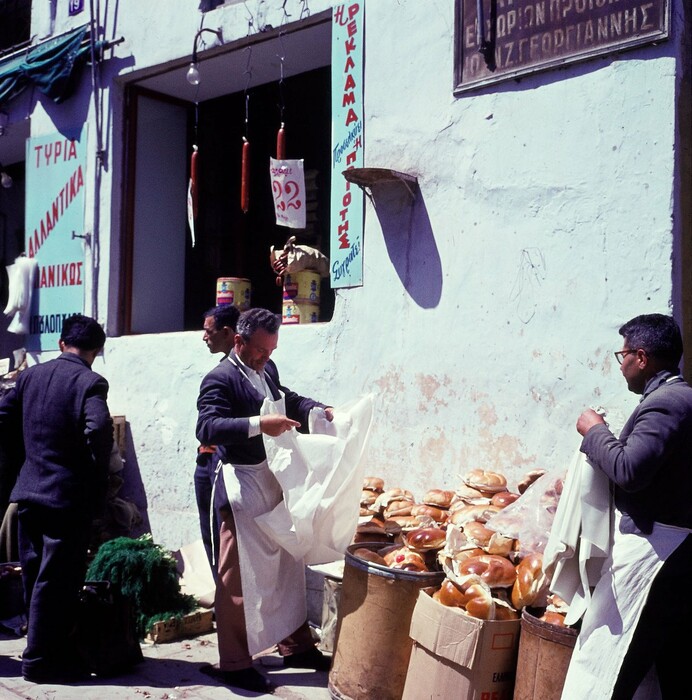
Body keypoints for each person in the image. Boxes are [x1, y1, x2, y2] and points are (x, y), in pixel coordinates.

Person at [196, 307, 334, 694]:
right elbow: (207, 426)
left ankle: (296, 647)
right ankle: (236, 663)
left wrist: (316, 410)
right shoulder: (219, 378)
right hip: (240, 486)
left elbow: (284, 398)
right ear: (238, 341)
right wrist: (260, 425)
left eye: (270, 350)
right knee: (237, 577)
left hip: (271, 482)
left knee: (285, 567)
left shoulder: (266, 371)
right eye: (259, 350)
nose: (265, 357)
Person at [563, 313, 692, 698]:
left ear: (641, 357)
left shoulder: (667, 403)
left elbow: (630, 470)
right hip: (677, 551)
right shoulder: (678, 399)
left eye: (622, 356)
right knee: (670, 664)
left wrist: (594, 430)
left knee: (608, 663)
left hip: (657, 553)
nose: (620, 366)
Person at [0, 314, 114, 684]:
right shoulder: (90, 382)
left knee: (36, 577)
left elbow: (4, 416)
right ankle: (40, 660)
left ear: (63, 342)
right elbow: (97, 430)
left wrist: (23, 459)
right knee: (58, 581)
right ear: (96, 351)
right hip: (65, 498)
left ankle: (45, 651)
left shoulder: (30, 376)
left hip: (29, 493)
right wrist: (94, 480)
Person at [196, 304, 240, 578]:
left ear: (226, 332)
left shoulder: (227, 374)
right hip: (212, 460)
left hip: (219, 466)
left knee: (217, 538)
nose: (204, 337)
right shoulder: (227, 370)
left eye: (207, 331)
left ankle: (226, 609)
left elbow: (208, 427)